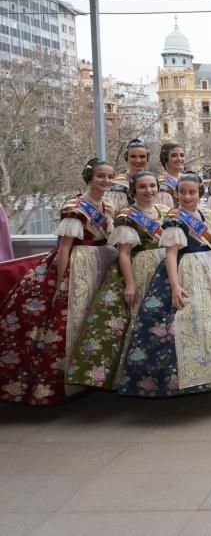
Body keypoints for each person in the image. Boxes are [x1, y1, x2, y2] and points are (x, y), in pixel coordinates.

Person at [0, 158, 117, 405]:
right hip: (78, 265)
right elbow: (64, 248)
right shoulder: (75, 207)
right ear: (89, 177)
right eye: (100, 176)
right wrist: (62, 279)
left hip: (101, 263)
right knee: (68, 320)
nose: (105, 181)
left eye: (109, 176)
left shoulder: (108, 204)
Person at [117, 173, 211, 397]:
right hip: (187, 271)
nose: (187, 196)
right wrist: (174, 286)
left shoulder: (205, 214)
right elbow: (170, 255)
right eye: (182, 192)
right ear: (176, 194)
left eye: (192, 192)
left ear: (199, 193)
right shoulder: (174, 219)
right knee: (186, 321)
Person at [66, 172, 170, 390]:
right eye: (142, 187)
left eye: (152, 186)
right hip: (139, 268)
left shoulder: (165, 211)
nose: (148, 190)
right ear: (133, 190)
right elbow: (123, 253)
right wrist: (130, 283)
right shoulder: (126, 216)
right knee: (136, 316)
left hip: (163, 269)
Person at [106, 139, 150, 212]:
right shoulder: (119, 185)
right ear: (127, 157)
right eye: (133, 156)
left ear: (147, 158)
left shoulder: (153, 181)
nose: (138, 160)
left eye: (142, 156)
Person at [156, 142, 185, 208]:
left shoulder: (187, 177)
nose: (179, 159)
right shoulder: (161, 182)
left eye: (182, 155)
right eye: (174, 155)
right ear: (166, 159)